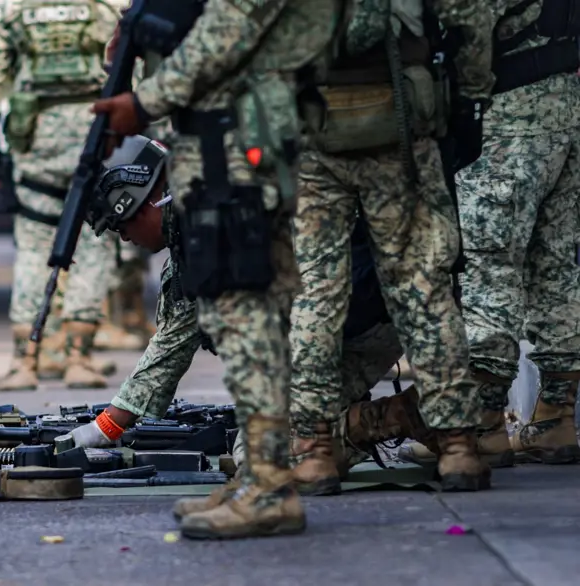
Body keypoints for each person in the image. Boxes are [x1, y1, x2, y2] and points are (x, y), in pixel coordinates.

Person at [63, 136, 435, 512]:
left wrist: (104, 428)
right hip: (352, 324)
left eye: (122, 224)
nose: (125, 237)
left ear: (142, 197)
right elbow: (172, 343)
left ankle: (397, 416)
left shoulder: (212, 229)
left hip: (350, 330)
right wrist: (106, 427)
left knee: (261, 457)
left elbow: (173, 350)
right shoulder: (209, 211)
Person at [91, 0, 349, 540]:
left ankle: (269, 488)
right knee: (251, 317)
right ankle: (262, 478)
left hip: (241, 141)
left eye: (123, 226)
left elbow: (226, 34)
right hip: (237, 134)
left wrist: (144, 101)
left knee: (248, 316)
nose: (128, 243)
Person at [273, 0, 496, 493]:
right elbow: (468, 14)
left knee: (315, 292)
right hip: (400, 120)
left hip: (312, 125)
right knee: (422, 286)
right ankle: (458, 444)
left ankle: (313, 451)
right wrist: (472, 95)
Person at [400, 0, 580, 467]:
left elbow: (469, 19)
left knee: (489, 263)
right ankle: (554, 418)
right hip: (567, 105)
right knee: (558, 267)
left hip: (509, 116)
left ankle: (483, 424)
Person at [0, 0, 128, 391]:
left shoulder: (9, 8)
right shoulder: (109, 4)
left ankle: (25, 362)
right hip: (95, 134)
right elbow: (133, 64)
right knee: (93, 243)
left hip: (34, 140)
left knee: (34, 245)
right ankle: (79, 357)